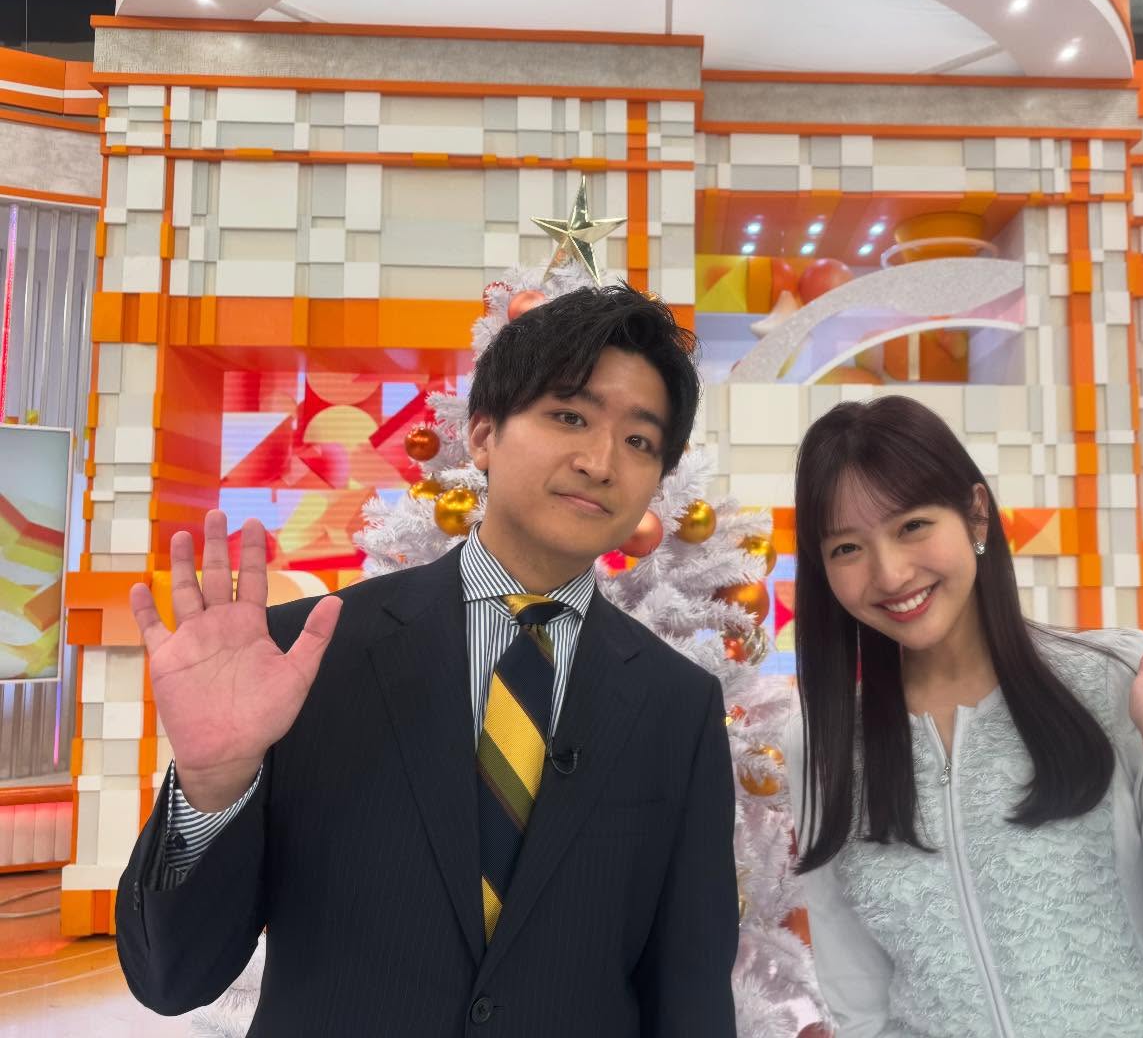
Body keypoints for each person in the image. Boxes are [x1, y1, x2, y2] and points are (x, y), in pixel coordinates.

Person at [116, 285, 739, 1037]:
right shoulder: (304, 655)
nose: (601, 461)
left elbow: (690, 992)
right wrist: (213, 785)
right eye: (570, 416)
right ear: (483, 435)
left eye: (640, 441)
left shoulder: (678, 703)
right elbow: (172, 978)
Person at [782, 395, 1143, 1038]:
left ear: (976, 514)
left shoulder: (1121, 683)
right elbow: (857, 1001)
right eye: (848, 548)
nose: (889, 573)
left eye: (912, 526)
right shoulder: (821, 743)